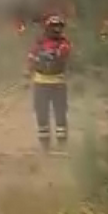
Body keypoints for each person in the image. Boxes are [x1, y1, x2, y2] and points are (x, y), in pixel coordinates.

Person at [26, 14, 71, 153]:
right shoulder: (39, 43)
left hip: (58, 84)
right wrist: (29, 70)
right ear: (47, 28)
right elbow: (31, 58)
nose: (56, 29)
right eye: (54, 27)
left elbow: (64, 52)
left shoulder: (64, 43)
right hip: (40, 83)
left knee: (60, 115)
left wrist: (52, 54)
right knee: (42, 115)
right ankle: (44, 146)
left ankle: (62, 145)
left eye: (59, 27)